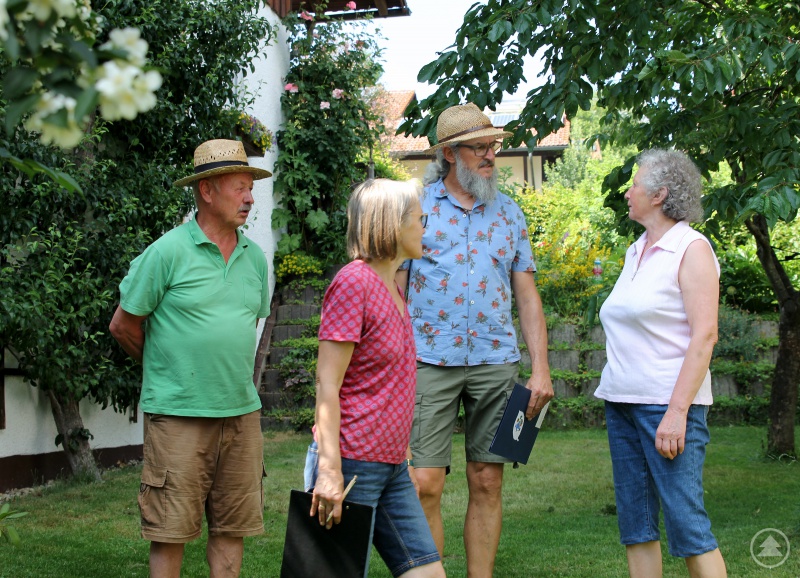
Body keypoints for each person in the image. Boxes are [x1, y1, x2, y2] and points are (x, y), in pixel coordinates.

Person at [396, 103, 553, 578]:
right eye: (479, 147)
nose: (491, 155)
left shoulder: (510, 213)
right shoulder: (414, 209)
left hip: (496, 364)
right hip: (427, 363)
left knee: (488, 480)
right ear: (448, 153)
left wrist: (540, 369)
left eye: (493, 146)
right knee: (423, 483)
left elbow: (527, 296)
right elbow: (394, 293)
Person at [109, 139, 271, 578]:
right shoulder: (166, 253)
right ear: (207, 191)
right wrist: (168, 366)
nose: (250, 198)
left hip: (240, 415)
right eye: (239, 188)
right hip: (178, 414)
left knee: (232, 527)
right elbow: (123, 325)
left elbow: (246, 326)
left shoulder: (255, 258)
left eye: (250, 188)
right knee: (170, 529)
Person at [594, 149, 727, 578]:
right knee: (637, 527)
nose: (628, 191)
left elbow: (705, 334)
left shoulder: (691, 249)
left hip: (666, 407)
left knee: (688, 527)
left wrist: (676, 412)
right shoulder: (637, 250)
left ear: (660, 194)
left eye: (635, 184)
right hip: (622, 402)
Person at [306, 178, 446, 578]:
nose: (426, 227)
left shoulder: (393, 287)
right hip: (350, 464)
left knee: (428, 573)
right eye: (419, 219)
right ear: (392, 224)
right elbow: (327, 383)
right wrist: (330, 470)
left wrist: (400, 454)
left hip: (391, 466)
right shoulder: (354, 282)